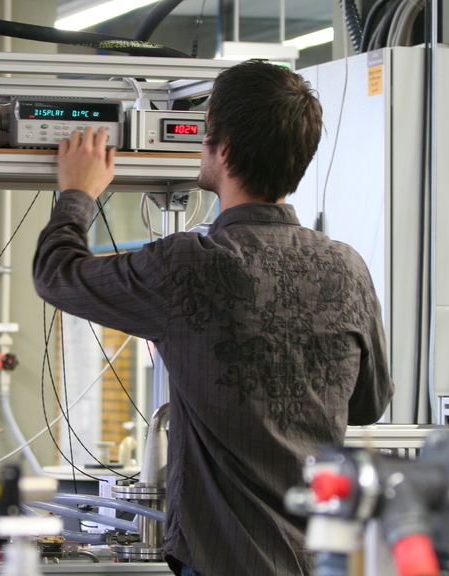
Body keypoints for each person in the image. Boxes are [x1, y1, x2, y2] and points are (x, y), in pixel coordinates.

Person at [32, 60, 394, 576]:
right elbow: (369, 404)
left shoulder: (189, 266)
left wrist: (78, 192)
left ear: (222, 150)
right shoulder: (347, 267)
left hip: (227, 560)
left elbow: (56, 273)